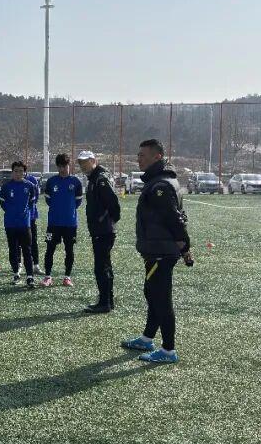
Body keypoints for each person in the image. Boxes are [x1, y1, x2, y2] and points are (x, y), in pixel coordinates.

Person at [121, 139, 192, 364]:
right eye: (138, 154)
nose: (138, 159)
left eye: (143, 155)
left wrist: (185, 247)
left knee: (161, 298)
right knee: (152, 293)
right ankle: (147, 338)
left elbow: (174, 219)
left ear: (157, 157)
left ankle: (168, 350)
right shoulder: (160, 181)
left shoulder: (160, 185)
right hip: (156, 249)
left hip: (162, 251)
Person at [79, 150, 121, 314]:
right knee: (104, 266)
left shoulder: (100, 179)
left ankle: (105, 302)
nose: (83, 165)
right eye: (81, 162)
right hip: (101, 229)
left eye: (85, 161)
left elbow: (113, 204)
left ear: (93, 160)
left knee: (101, 267)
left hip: (103, 230)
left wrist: (106, 222)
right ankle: (107, 301)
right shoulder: (94, 178)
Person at [41, 153, 84, 287]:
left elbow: (78, 201)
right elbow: (48, 200)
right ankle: (48, 277)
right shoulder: (51, 181)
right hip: (53, 223)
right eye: (59, 167)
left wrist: (68, 210)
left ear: (69, 165)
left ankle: (67, 277)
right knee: (49, 249)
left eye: (64, 166)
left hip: (70, 224)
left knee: (69, 250)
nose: (62, 169)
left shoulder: (76, 182)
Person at [1, 161, 39, 287]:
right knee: (13, 250)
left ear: (24, 173)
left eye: (21, 171)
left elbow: (32, 202)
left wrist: (23, 213)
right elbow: (3, 204)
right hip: (10, 224)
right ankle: (16, 273)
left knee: (27, 250)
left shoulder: (30, 186)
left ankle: (30, 277)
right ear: (12, 172)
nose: (18, 173)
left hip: (24, 224)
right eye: (16, 171)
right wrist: (12, 212)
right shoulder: (6, 186)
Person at [25, 168, 42, 274]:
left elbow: (36, 197)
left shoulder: (32, 180)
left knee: (33, 240)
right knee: (18, 242)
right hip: (18, 218)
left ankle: (36, 265)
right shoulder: (13, 181)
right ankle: (19, 265)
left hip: (31, 216)